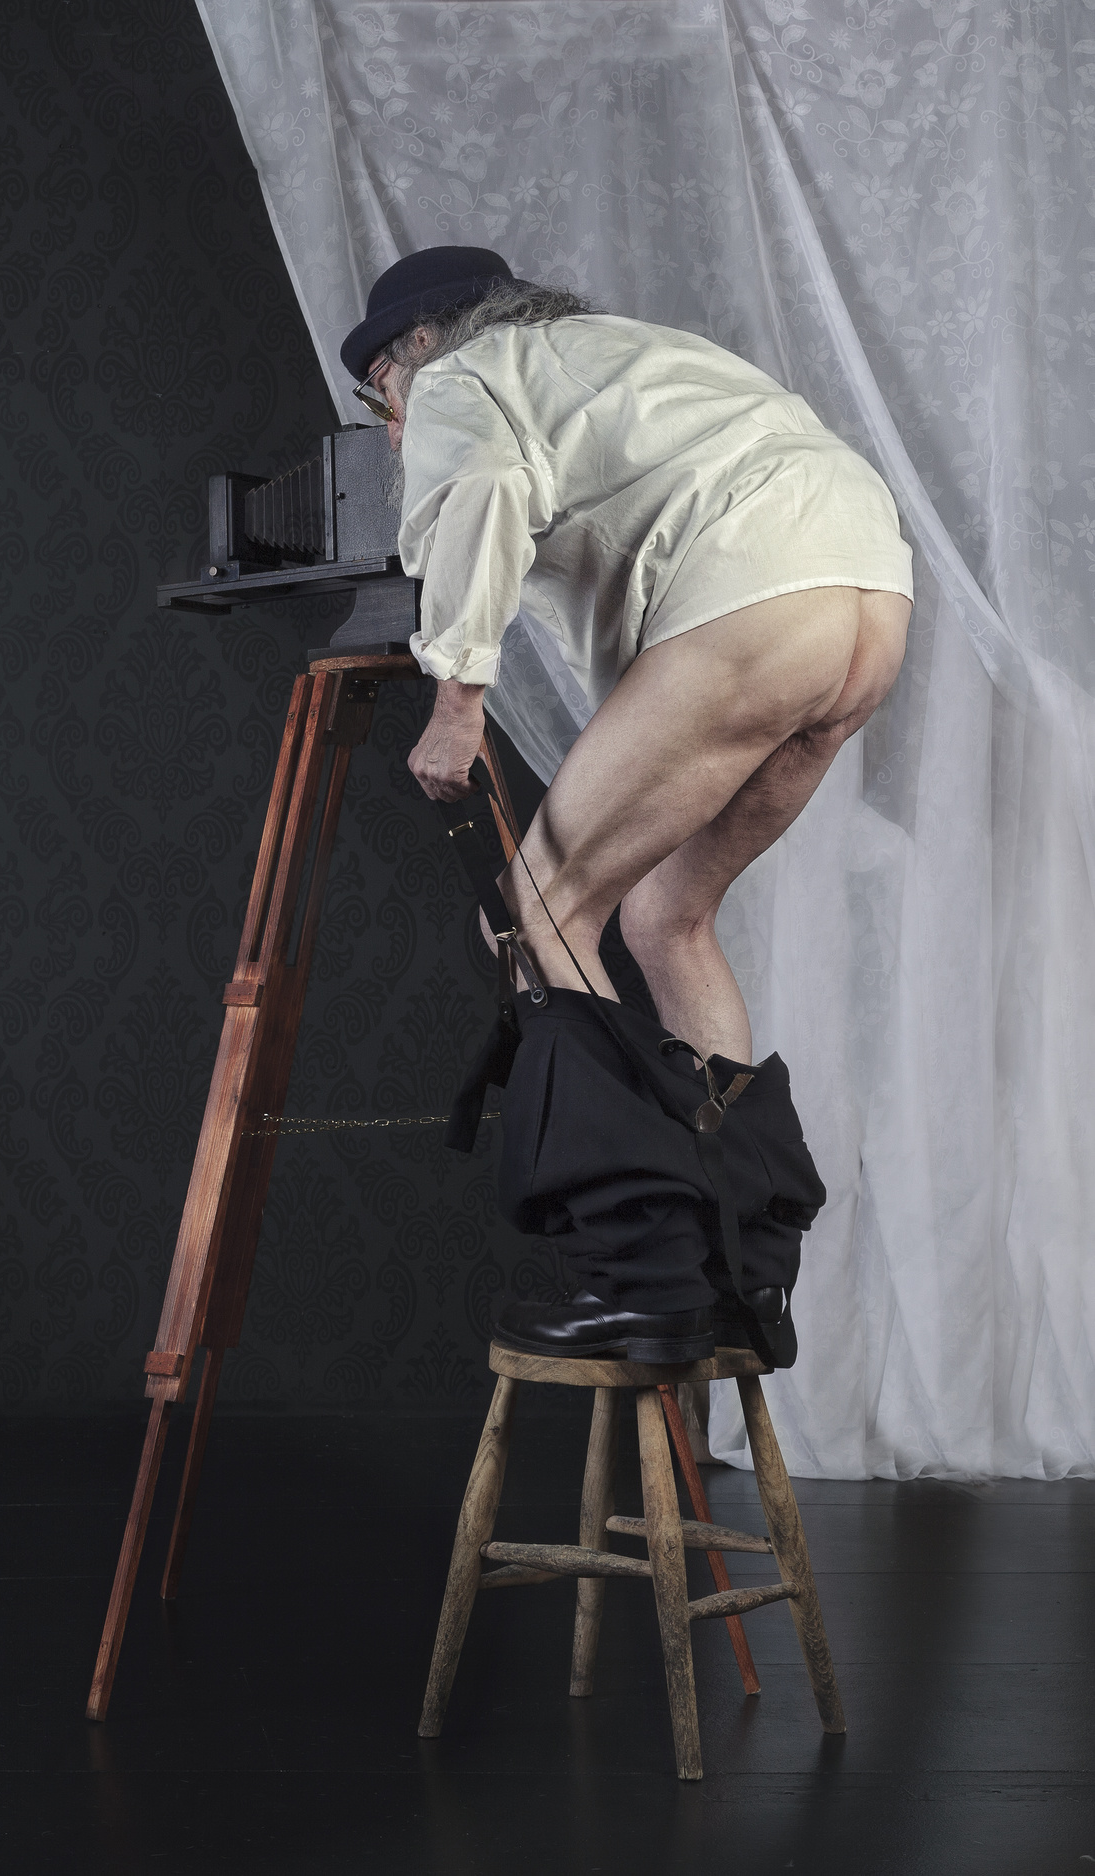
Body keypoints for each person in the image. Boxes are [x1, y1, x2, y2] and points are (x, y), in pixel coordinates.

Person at [346, 248, 912, 1364]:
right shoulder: (627, 361)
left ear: (420, 343)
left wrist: (457, 698)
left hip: (757, 595)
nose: (394, 430)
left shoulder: (462, 376)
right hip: (868, 601)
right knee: (665, 917)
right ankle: (742, 1275)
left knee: (531, 916)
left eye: (381, 399)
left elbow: (480, 491)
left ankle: (647, 1276)